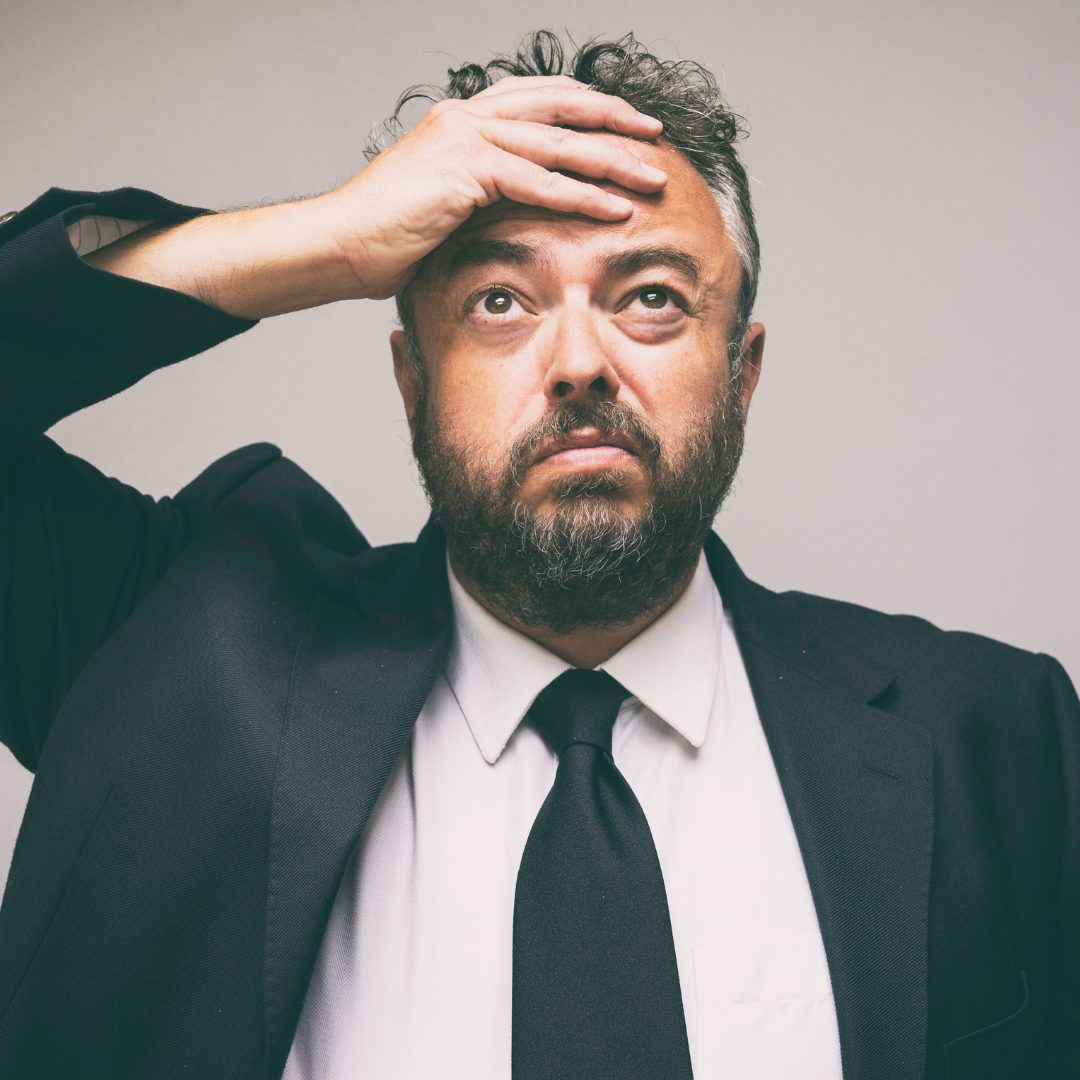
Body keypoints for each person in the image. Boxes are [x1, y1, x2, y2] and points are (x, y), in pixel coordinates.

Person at [0, 28, 1075, 1080]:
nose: (577, 363)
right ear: (412, 384)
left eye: (650, 296)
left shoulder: (1000, 736)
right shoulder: (173, 654)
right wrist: (326, 237)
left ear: (740, 378)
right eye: (498, 300)